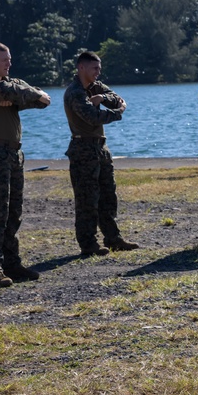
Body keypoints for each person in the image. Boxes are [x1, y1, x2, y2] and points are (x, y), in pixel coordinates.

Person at [0, 42, 50, 288]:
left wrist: (19, 93)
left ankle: (12, 264)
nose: (9, 63)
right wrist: (18, 94)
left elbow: (43, 99)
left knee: (14, 212)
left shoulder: (8, 83)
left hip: (13, 155)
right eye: (3, 60)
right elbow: (17, 94)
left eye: (10, 59)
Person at [63, 51, 139, 256]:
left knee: (108, 195)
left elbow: (117, 98)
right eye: (94, 68)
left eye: (99, 68)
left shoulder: (94, 87)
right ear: (81, 68)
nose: (98, 72)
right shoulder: (75, 92)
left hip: (100, 148)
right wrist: (118, 112)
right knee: (87, 199)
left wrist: (103, 97)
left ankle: (113, 238)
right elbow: (93, 117)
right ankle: (88, 244)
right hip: (83, 149)